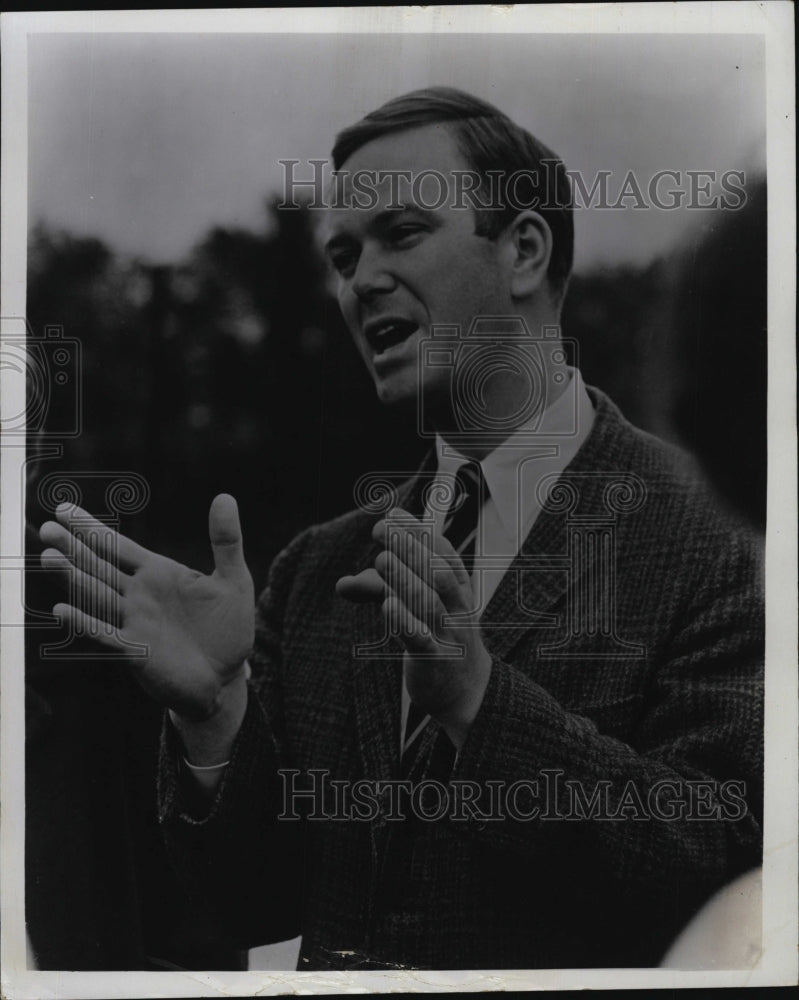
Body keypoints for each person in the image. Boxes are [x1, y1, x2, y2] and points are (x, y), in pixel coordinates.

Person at [39, 88, 763, 970]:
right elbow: (251, 901)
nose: (360, 281)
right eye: (343, 255)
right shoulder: (317, 567)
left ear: (524, 252)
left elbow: (729, 871)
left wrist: (480, 701)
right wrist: (215, 714)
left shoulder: (723, 529)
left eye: (402, 233)